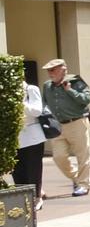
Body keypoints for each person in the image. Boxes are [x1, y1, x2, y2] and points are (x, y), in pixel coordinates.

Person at [41, 59, 90, 197]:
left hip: (77, 122)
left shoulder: (75, 82)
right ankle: (77, 178)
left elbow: (87, 99)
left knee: (82, 156)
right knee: (59, 157)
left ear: (63, 69)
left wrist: (70, 90)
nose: (50, 73)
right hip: (57, 125)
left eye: (53, 70)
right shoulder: (47, 86)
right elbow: (43, 103)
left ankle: (83, 185)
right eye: (48, 71)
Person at [14, 75, 45, 211]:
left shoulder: (31, 89)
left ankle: (37, 198)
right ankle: (24, 200)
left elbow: (37, 111)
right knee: (18, 172)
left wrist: (20, 102)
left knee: (33, 170)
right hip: (16, 138)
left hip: (33, 138)